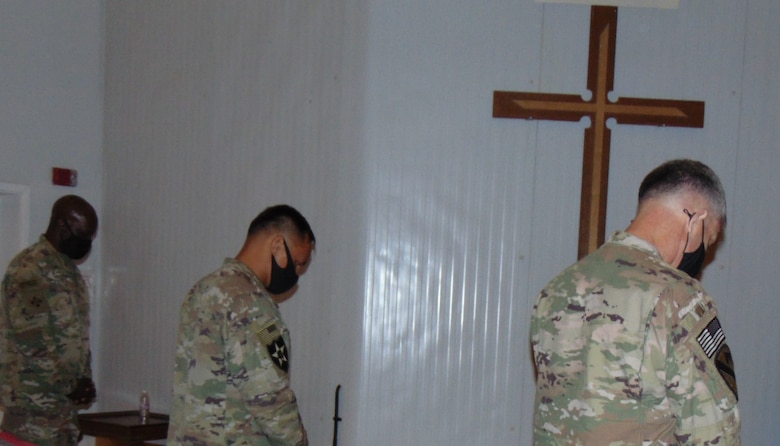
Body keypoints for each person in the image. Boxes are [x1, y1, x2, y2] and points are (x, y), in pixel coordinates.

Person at [530, 159, 740, 445]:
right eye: (709, 240)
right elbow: (712, 430)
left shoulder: (555, 291)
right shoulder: (678, 297)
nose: (705, 253)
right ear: (697, 220)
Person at [168, 204, 315, 446]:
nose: (297, 272)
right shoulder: (253, 305)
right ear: (278, 246)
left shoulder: (202, 290)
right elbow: (269, 398)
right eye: (299, 263)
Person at [0, 195, 98, 445]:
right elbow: (33, 340)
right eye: (82, 237)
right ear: (62, 226)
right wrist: (70, 386)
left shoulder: (68, 271)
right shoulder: (30, 269)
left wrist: (84, 379)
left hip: (60, 417)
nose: (86, 244)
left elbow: (77, 336)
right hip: (31, 417)